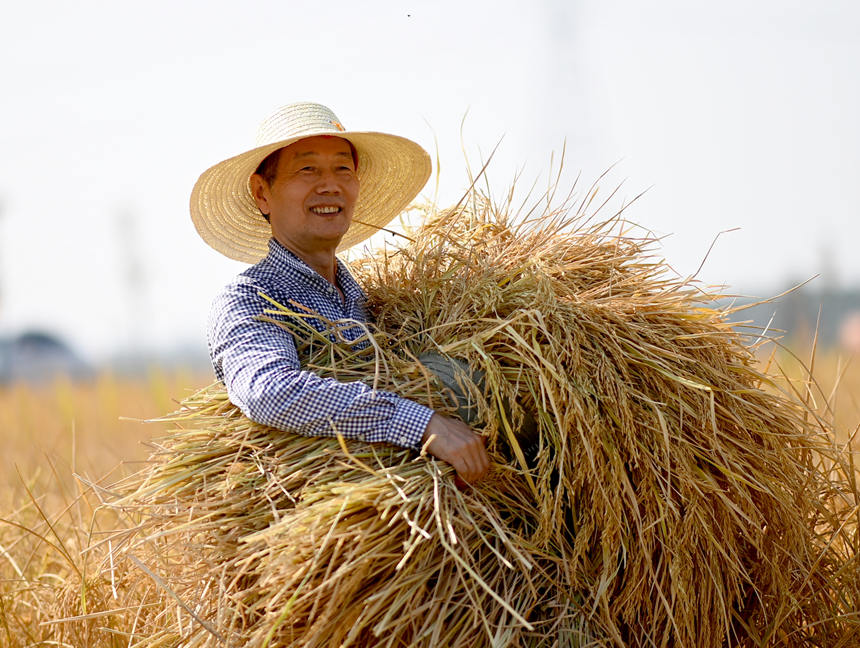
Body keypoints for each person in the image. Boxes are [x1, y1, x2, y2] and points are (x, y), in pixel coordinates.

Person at [191, 102, 489, 483]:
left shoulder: (371, 303)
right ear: (262, 193)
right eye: (307, 169)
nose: (329, 184)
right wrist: (423, 425)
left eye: (343, 169)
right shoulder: (252, 298)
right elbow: (269, 392)